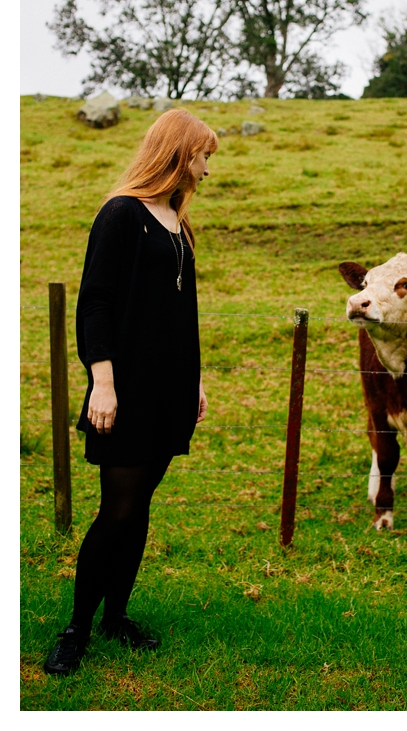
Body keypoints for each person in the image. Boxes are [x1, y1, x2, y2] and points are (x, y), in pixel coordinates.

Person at [43, 109, 217, 676]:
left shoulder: (177, 224)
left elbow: (183, 313)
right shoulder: (120, 214)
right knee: (116, 510)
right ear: (177, 152)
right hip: (122, 390)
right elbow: (94, 301)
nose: (206, 170)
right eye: (203, 156)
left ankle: (117, 616)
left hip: (170, 392)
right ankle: (77, 629)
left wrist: (195, 379)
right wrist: (103, 382)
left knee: (140, 506)